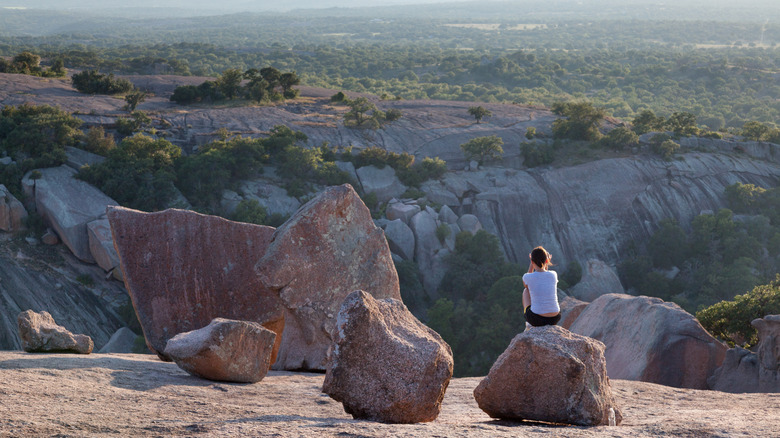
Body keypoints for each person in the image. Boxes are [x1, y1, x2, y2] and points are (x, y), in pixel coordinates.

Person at [522, 246, 561, 328]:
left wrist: (531, 264)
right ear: (547, 260)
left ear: (532, 261)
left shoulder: (527, 277)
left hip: (537, 319)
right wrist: (545, 263)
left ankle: (529, 322)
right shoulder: (553, 274)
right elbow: (544, 275)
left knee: (526, 291)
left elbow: (527, 285)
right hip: (555, 317)